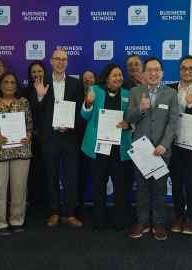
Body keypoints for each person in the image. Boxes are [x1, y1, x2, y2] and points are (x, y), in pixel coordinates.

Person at [29, 49, 84, 228]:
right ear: (51, 62)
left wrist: (71, 125)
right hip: (50, 138)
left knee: (71, 176)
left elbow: (80, 113)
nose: (60, 62)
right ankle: (54, 212)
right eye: (57, 59)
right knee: (50, 176)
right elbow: (35, 112)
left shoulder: (76, 84)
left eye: (64, 59)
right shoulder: (42, 83)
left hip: (69, 137)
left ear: (67, 62)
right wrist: (40, 96)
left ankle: (69, 213)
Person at [126, 57, 179, 241]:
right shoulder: (135, 92)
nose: (153, 73)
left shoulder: (171, 94)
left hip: (161, 150)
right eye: (149, 70)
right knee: (141, 187)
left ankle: (158, 222)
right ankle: (142, 221)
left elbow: (173, 122)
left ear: (162, 73)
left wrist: (164, 144)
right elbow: (128, 118)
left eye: (157, 70)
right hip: (141, 149)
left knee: (159, 188)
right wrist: (140, 109)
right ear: (144, 73)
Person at [80, 63, 133, 232]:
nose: (119, 78)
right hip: (98, 146)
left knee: (120, 186)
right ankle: (99, 220)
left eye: (120, 75)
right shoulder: (95, 90)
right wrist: (87, 104)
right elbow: (84, 116)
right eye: (115, 75)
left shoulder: (128, 94)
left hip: (119, 148)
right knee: (98, 184)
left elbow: (132, 119)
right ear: (107, 77)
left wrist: (128, 124)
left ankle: (120, 220)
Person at [0, 72, 33, 236]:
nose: (9, 85)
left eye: (12, 82)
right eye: (6, 82)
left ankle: (17, 220)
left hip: (21, 150)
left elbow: (30, 125)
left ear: (16, 85)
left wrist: (28, 136)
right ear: (0, 85)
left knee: (19, 188)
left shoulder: (23, 102)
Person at [167, 55, 192, 235]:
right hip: (172, 142)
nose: (187, 71)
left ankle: (190, 218)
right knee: (175, 182)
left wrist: (190, 104)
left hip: (191, 143)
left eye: (191, 68)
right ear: (180, 70)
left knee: (190, 182)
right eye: (184, 68)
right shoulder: (169, 89)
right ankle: (178, 216)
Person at [22, 61, 49, 208]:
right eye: (34, 72)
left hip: (48, 137)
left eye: (39, 71)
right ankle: (33, 202)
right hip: (30, 138)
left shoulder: (50, 89)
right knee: (32, 171)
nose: (37, 74)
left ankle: (47, 203)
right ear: (29, 74)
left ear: (44, 72)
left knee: (48, 170)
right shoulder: (24, 91)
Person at [76, 69, 96, 217]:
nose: (88, 81)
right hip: (78, 142)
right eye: (85, 79)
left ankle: (97, 206)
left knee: (97, 176)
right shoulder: (76, 95)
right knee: (80, 176)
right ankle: (79, 207)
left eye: (91, 79)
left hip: (96, 141)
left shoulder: (100, 94)